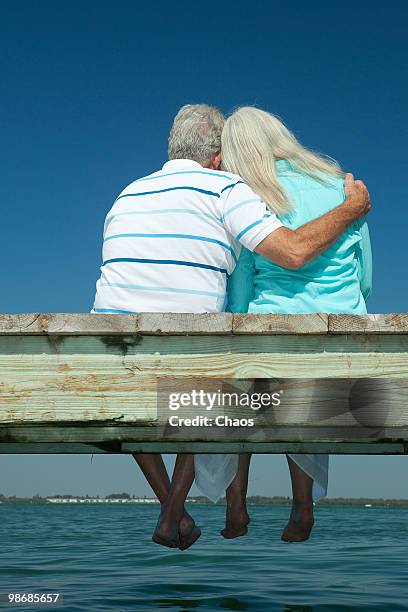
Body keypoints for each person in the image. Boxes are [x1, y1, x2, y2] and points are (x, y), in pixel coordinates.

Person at [92, 104, 370, 549]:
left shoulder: (128, 192)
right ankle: (177, 512)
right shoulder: (226, 189)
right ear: (217, 158)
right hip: (194, 362)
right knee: (218, 380)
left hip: (112, 358)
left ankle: (178, 508)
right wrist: (353, 206)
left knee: (214, 374)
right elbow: (295, 253)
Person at [213, 106, 372, 542]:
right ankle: (302, 508)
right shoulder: (344, 189)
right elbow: (365, 276)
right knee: (304, 395)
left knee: (238, 397)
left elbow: (242, 282)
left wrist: (238, 318)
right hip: (339, 335)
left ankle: (236, 505)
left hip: (270, 330)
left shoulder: (250, 195)